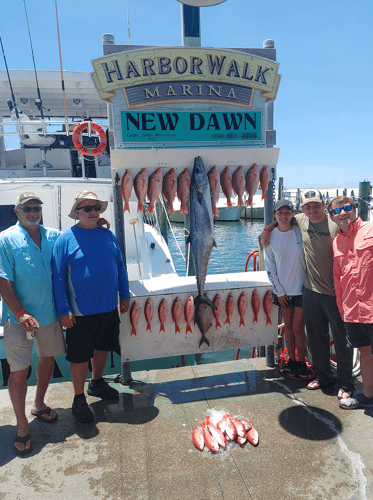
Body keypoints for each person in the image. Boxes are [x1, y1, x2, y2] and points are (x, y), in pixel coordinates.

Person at [261, 189, 354, 400]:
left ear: (324, 204)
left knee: (341, 339)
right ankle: (323, 377)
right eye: (308, 206)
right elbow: (281, 220)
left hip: (335, 293)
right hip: (310, 290)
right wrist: (268, 228)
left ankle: (346, 383)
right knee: (316, 337)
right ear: (302, 209)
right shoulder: (300, 221)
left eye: (316, 205)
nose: (312, 210)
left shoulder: (335, 224)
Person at [52, 191, 130, 424]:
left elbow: (120, 266)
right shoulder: (65, 239)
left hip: (108, 306)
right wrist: (64, 310)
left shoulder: (109, 235)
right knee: (79, 356)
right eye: (87, 208)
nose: (93, 212)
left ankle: (96, 382)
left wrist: (124, 295)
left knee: (103, 347)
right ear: (77, 212)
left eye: (96, 207)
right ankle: (78, 397)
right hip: (79, 312)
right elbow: (57, 278)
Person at [0, 192, 66, 455]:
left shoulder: (53, 235)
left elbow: (76, 243)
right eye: (27, 208)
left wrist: (100, 225)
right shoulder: (5, 239)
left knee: (47, 359)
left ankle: (39, 404)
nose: (33, 212)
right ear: (17, 211)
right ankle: (22, 425)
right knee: (18, 372)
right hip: (19, 318)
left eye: (37, 207)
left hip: (48, 314)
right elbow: (3, 281)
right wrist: (20, 313)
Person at [328, 196, 373, 409]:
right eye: (337, 211)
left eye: (347, 208)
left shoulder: (370, 230)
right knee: (365, 351)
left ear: (355, 210)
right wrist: (342, 307)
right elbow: (338, 278)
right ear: (331, 216)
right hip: (352, 310)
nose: (343, 213)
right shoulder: (336, 241)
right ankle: (367, 395)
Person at [264, 199, 310, 378]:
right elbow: (270, 267)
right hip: (283, 292)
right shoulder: (269, 237)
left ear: (293, 214)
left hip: (302, 289)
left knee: (299, 328)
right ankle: (292, 361)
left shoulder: (300, 232)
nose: (284, 216)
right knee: (288, 328)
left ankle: (302, 362)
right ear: (275, 214)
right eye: (280, 213)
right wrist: (280, 291)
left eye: (287, 212)